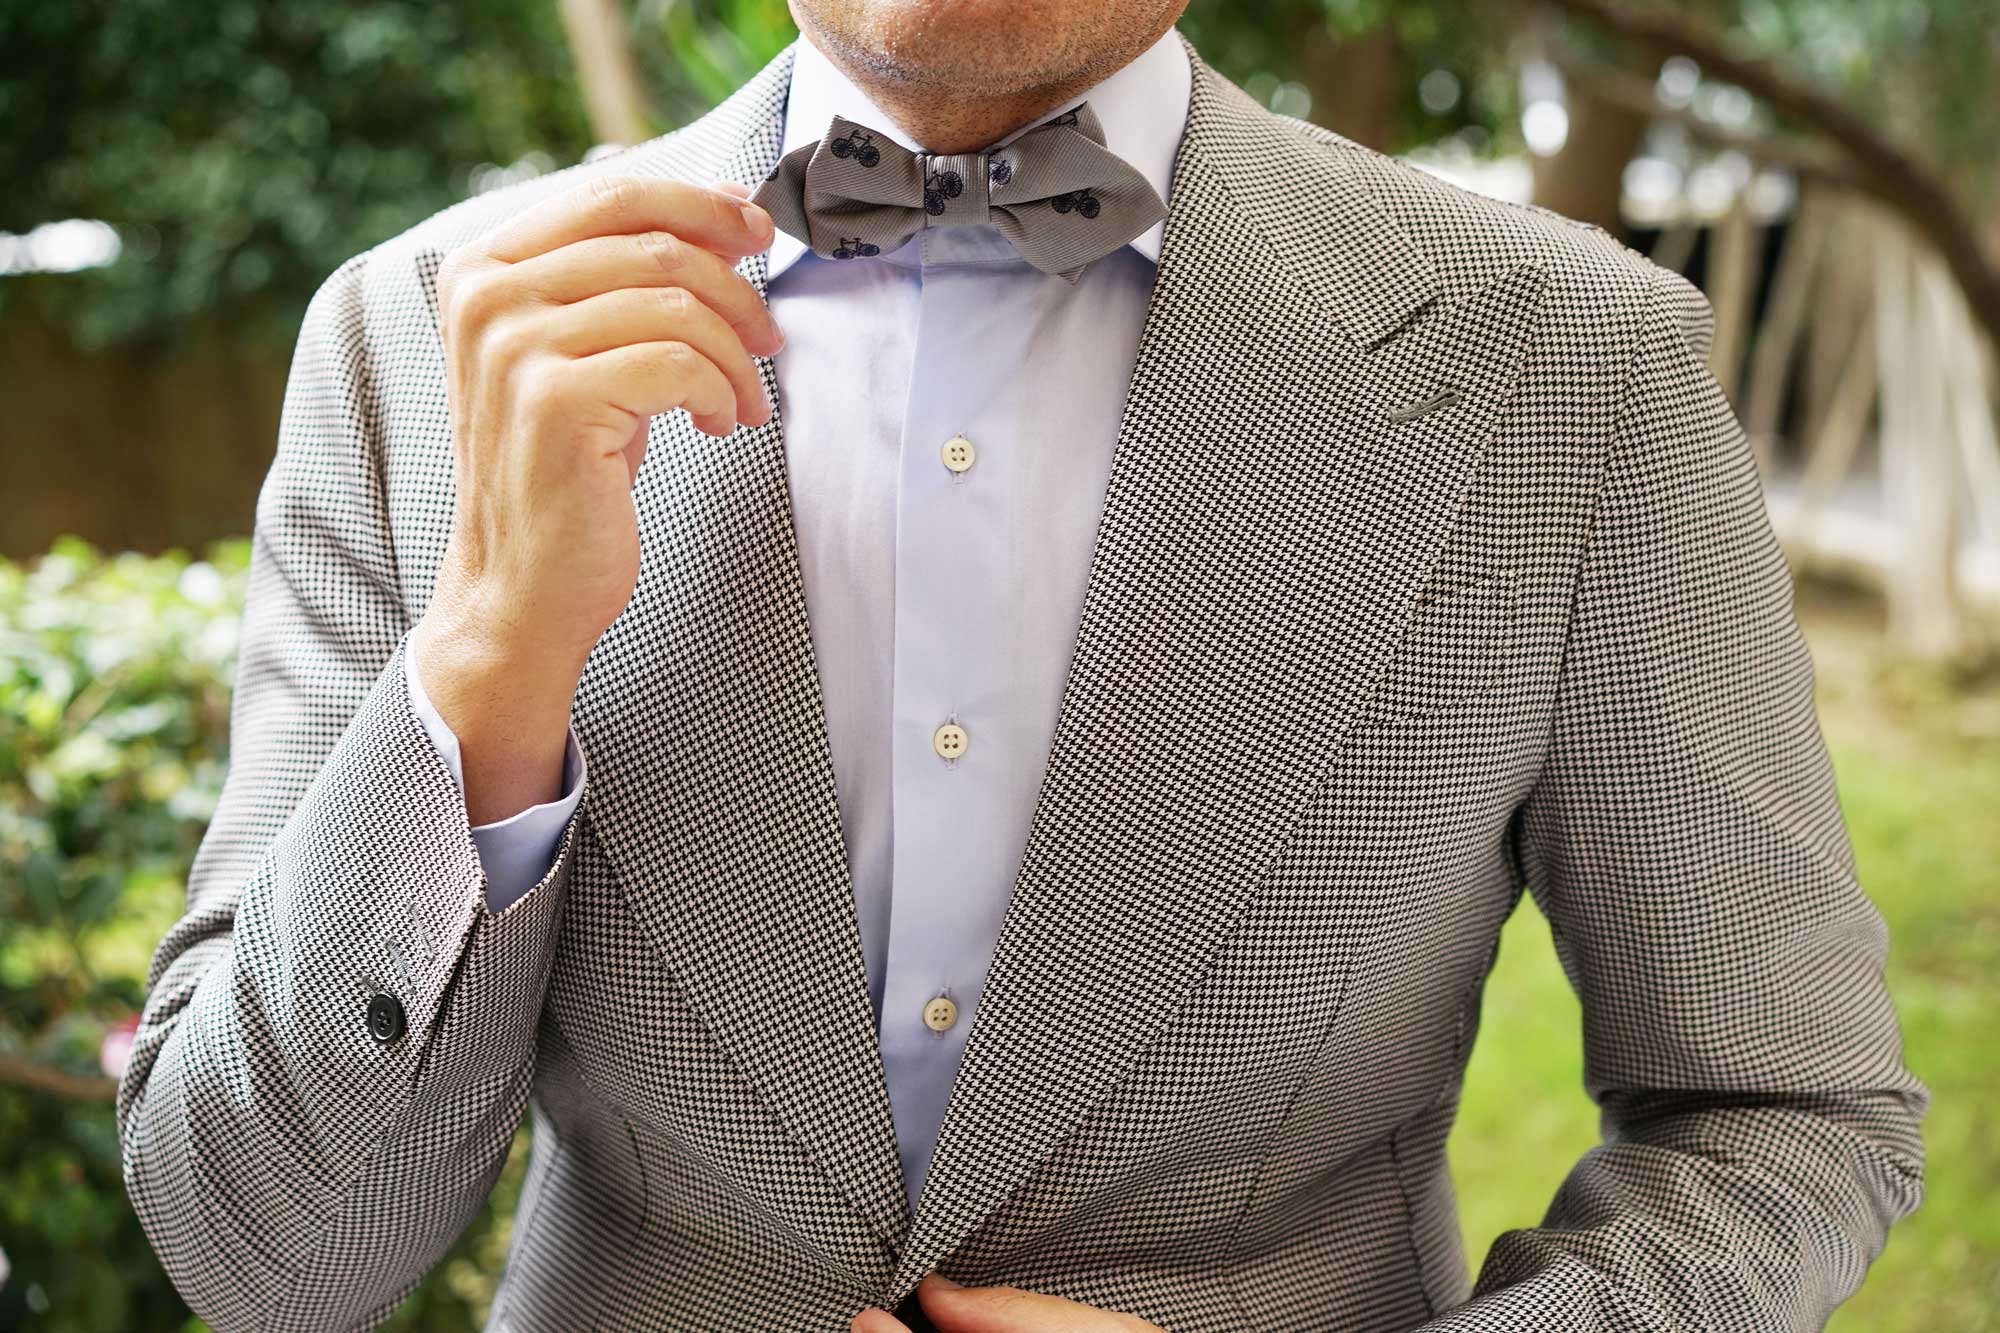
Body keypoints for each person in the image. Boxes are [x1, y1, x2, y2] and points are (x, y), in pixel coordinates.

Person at [116, 0, 1929, 1329]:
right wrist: (493, 649)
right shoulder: (409, 338)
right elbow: (263, 1254)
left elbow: (1782, 1116)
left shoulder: (1576, 371)